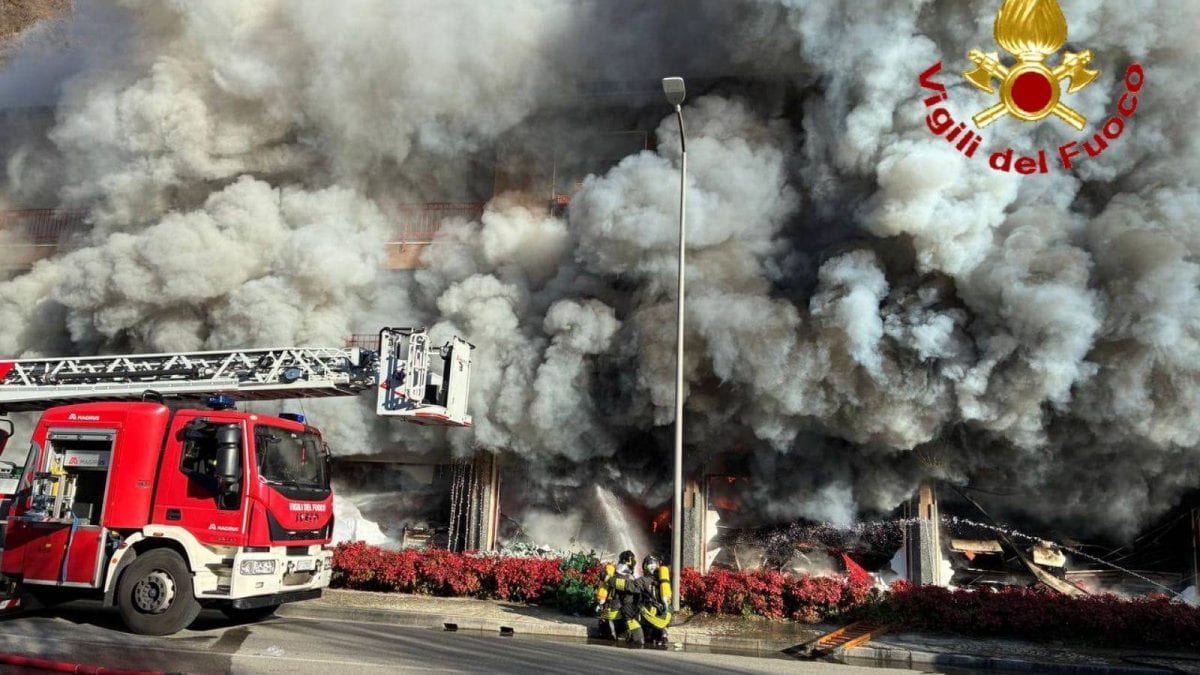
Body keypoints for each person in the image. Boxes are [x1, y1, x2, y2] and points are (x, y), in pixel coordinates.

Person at [619, 554, 673, 647]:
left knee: (627, 609)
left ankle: (638, 637)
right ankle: (661, 633)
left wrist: (611, 580)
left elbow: (629, 586)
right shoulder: (664, 581)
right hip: (666, 617)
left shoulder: (643, 580)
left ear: (645, 567)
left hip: (652, 616)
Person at [595, 550, 636, 640]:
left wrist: (607, 578)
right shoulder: (632, 578)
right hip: (623, 616)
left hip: (611, 614)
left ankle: (613, 632)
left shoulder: (612, 574)